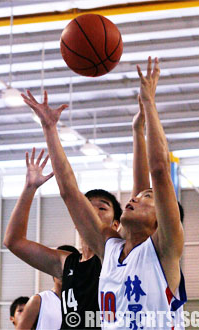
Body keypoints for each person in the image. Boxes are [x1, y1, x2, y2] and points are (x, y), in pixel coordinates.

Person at [21, 56, 187, 329]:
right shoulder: (108, 248)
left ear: (162, 221)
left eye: (148, 197)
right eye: (138, 194)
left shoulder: (165, 249)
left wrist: (148, 102)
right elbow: (69, 192)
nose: (135, 197)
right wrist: (50, 129)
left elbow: (158, 171)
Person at [3, 148, 122, 329]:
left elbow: (68, 190)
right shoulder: (66, 262)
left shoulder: (117, 258)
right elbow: (14, 241)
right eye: (88, 208)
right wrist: (29, 188)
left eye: (102, 208)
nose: (92, 213)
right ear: (77, 222)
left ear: (116, 225)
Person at [16, 245, 79, 330]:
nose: (64, 270)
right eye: (60, 265)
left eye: (69, 266)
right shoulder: (38, 301)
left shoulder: (88, 301)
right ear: (51, 267)